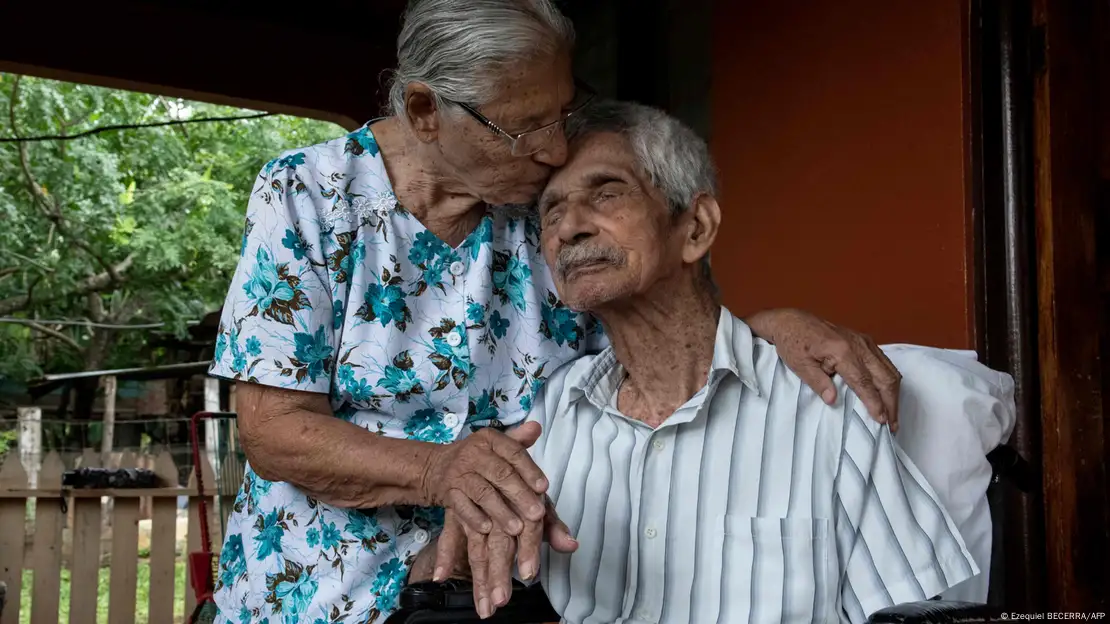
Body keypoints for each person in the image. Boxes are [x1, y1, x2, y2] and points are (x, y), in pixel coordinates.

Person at [208, 1, 904, 622]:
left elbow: (655, 316)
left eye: (561, 115)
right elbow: (274, 431)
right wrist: (439, 472)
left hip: (505, 592)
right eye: (522, 129)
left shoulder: (541, 208)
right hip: (316, 594)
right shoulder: (308, 195)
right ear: (425, 112)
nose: (554, 149)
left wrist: (762, 329)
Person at [425, 100, 983, 623]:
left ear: (695, 228)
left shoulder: (824, 407)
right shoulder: (551, 413)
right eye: (551, 212)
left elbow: (915, 612)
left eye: (606, 193)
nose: (569, 227)